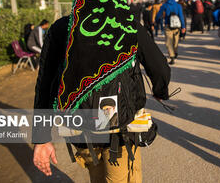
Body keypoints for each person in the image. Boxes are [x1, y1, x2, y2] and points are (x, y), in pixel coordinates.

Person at [32, 16, 171, 183]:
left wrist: (41, 138)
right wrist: (160, 91)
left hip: (81, 128)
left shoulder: (61, 28)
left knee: (96, 177)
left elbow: (45, 83)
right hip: (120, 130)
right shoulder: (127, 22)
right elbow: (160, 68)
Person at [155, 0, 186, 65]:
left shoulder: (165, 5)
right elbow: (181, 16)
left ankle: (172, 56)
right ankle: (175, 51)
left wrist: (156, 21)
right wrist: (183, 27)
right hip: (177, 26)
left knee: (169, 42)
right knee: (176, 41)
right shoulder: (178, 5)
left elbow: (159, 14)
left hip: (168, 26)